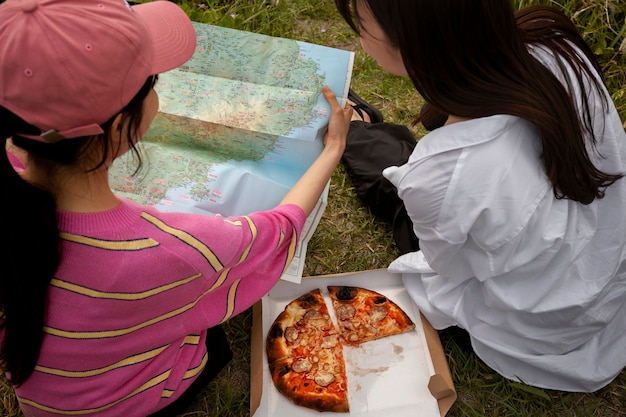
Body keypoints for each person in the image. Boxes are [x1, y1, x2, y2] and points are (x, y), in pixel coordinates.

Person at [0, 0, 352, 416]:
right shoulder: (175, 249)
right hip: (137, 401)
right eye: (152, 83)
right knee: (210, 341)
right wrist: (333, 148)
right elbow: (279, 228)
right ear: (121, 128)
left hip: (41, 400)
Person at [335, 0, 626, 392]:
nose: (358, 35)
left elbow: (448, 267)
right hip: (601, 283)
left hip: (538, 327)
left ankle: (356, 129)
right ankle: (361, 128)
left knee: (400, 205)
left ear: (408, 44)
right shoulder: (554, 40)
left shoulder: (441, 172)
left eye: (361, 25)